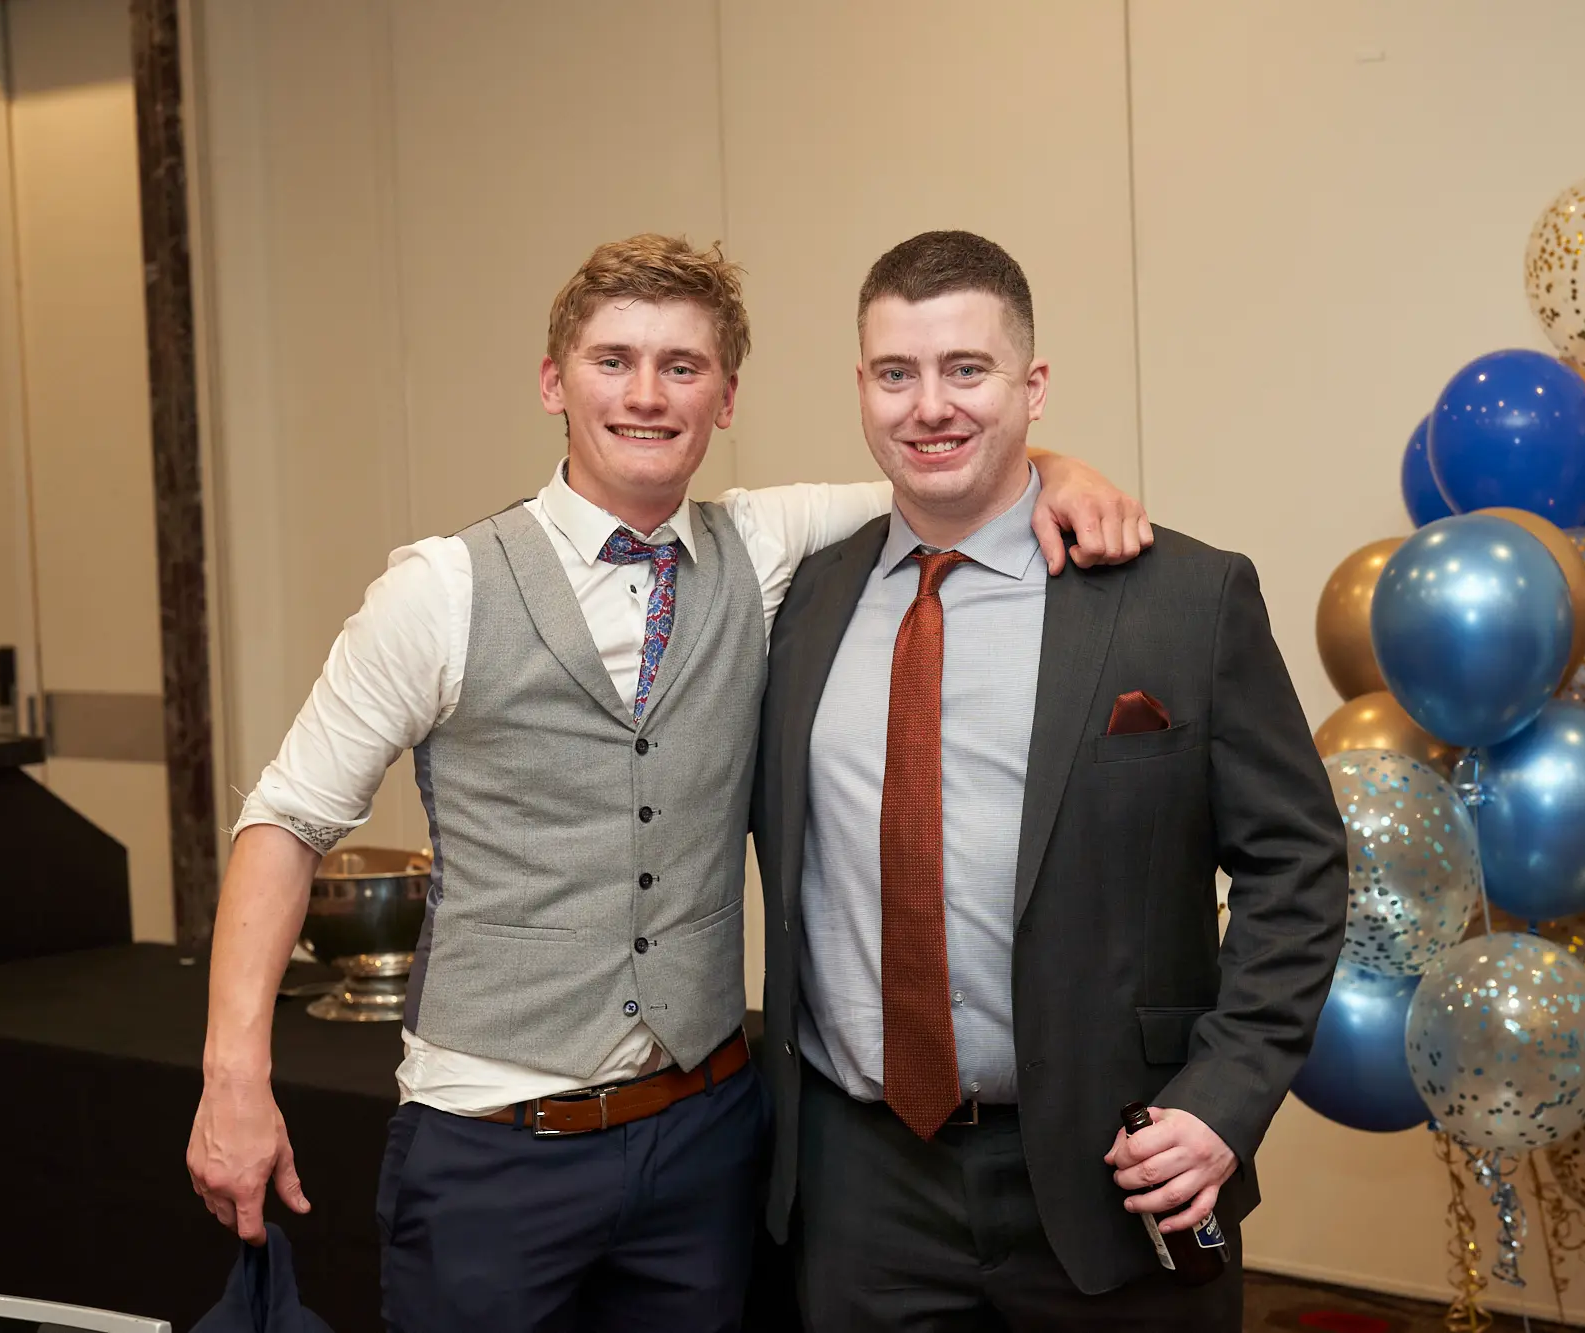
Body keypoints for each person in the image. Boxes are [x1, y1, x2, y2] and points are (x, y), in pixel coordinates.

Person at [184, 232, 1150, 1332]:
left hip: (704, 1142)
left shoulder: (767, 542)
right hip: (493, 1142)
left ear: (725, 396)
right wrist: (234, 1077)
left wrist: (1061, 472)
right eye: (612, 360)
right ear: (554, 381)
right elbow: (286, 818)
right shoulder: (438, 591)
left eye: (682, 367)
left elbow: (952, 471)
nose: (646, 394)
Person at [752, 230, 1348, 1330]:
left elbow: (1297, 867)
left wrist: (1222, 1098)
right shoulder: (796, 603)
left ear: (1032, 387)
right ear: (862, 388)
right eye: (897, 373)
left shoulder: (1183, 597)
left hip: (1115, 1170)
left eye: (964, 370)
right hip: (857, 1187)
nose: (928, 405)